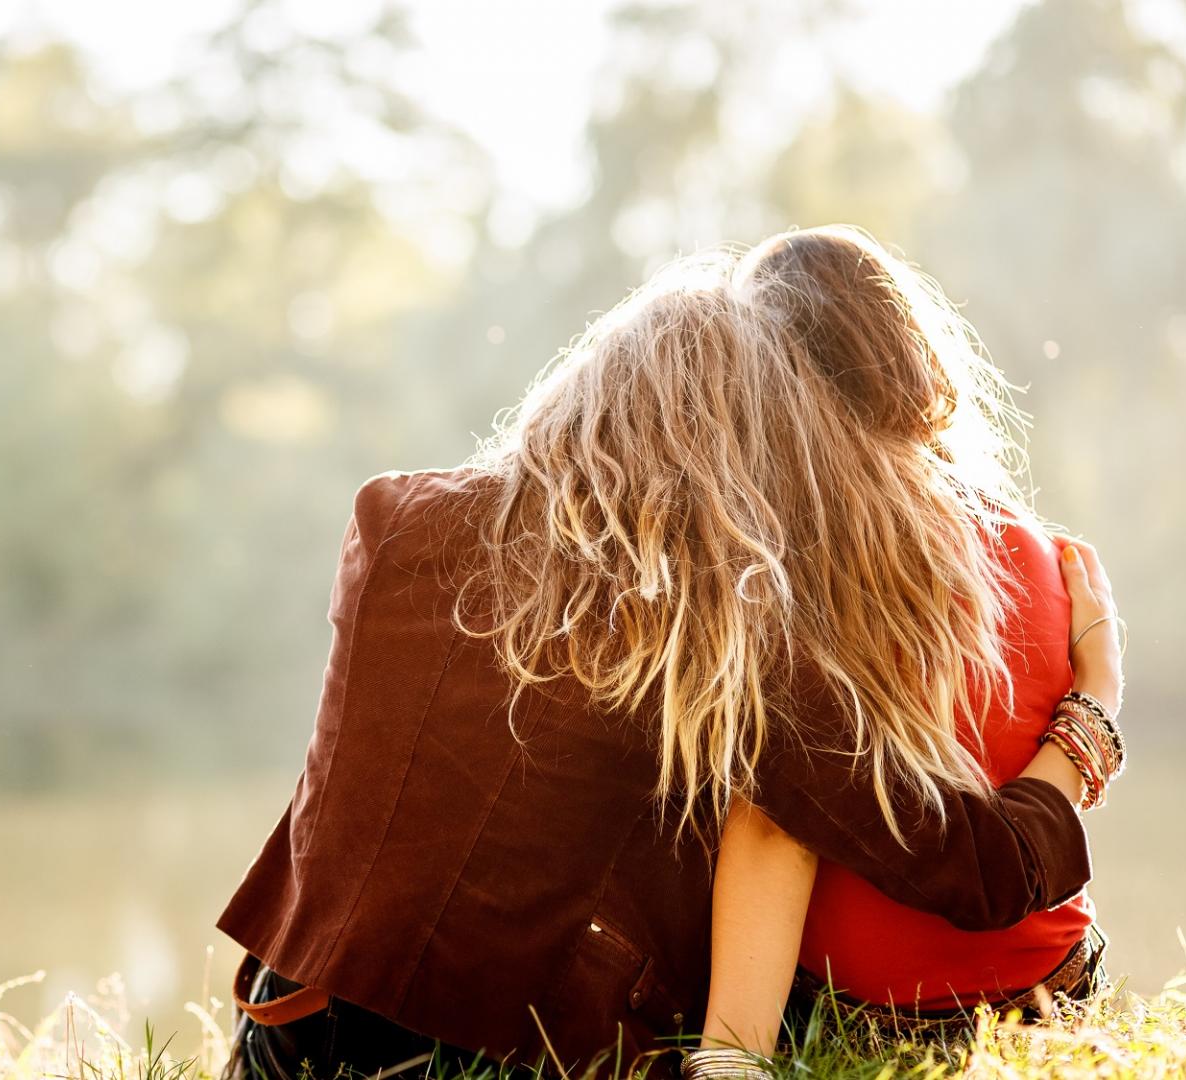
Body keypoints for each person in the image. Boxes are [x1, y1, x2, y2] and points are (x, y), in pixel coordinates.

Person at [218, 227, 1124, 1079]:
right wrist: (1093, 708)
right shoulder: (721, 622)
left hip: (288, 1031)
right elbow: (981, 870)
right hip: (521, 1058)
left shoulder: (393, 518)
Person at [689, 228, 1124, 1079]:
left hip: (870, 1018)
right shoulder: (1038, 550)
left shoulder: (793, 567)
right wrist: (1101, 693)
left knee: (757, 780)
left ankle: (730, 1056)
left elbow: (781, 827)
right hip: (1051, 988)